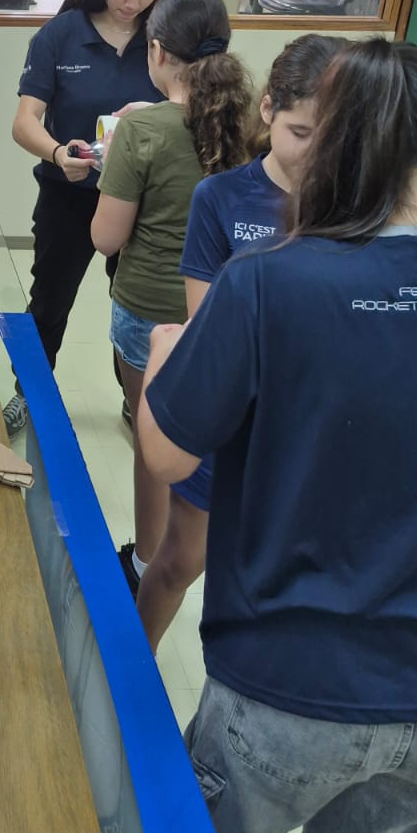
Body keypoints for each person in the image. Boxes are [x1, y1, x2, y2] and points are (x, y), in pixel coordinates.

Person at [139, 40, 417, 833]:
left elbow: (165, 454)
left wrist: (167, 355)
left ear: (330, 139)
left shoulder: (270, 282)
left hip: (287, 694)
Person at [135, 33, 344, 651]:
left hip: (309, 427)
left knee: (279, 580)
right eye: (303, 133)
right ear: (269, 110)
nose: (317, 155)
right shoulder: (221, 198)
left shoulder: (356, 207)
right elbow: (206, 330)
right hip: (231, 420)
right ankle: (128, 673)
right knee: (179, 561)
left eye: (334, 139)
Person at [90, 0, 252, 596]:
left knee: (152, 442)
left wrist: (113, 158)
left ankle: (144, 559)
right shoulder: (248, 123)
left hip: (150, 313)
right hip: (225, 312)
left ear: (156, 52)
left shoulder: (141, 132)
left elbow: (107, 239)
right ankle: (193, 548)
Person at [4, 0, 180, 434]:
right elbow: (23, 123)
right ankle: (29, 392)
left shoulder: (166, 40)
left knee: (137, 310)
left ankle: (137, 398)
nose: (135, 3)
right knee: (49, 300)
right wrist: (59, 154)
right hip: (71, 192)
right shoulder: (62, 35)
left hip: (147, 203)